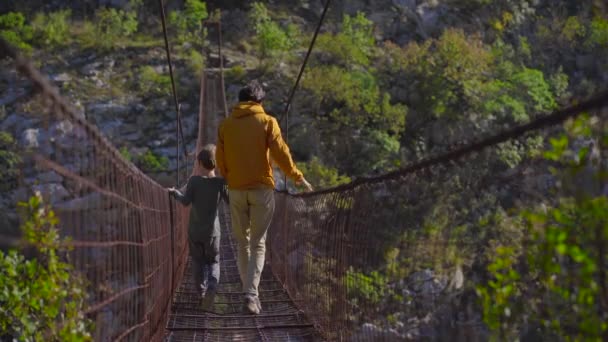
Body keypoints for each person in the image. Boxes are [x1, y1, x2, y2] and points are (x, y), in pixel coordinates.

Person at [216, 80, 313, 315]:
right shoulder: (268, 122)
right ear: (260, 101)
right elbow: (281, 153)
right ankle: (251, 294)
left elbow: (220, 161)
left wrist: (231, 179)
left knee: (242, 243)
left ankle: (247, 290)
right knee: (257, 244)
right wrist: (298, 177)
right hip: (261, 191)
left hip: (236, 191)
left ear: (240, 101)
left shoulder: (226, 126)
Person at [168, 144, 228, 310]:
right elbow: (231, 201)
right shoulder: (221, 183)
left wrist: (174, 193)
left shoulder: (194, 181)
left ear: (199, 163)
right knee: (214, 262)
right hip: (213, 233)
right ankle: (212, 287)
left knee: (198, 263)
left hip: (195, 232)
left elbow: (185, 201)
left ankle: (201, 294)